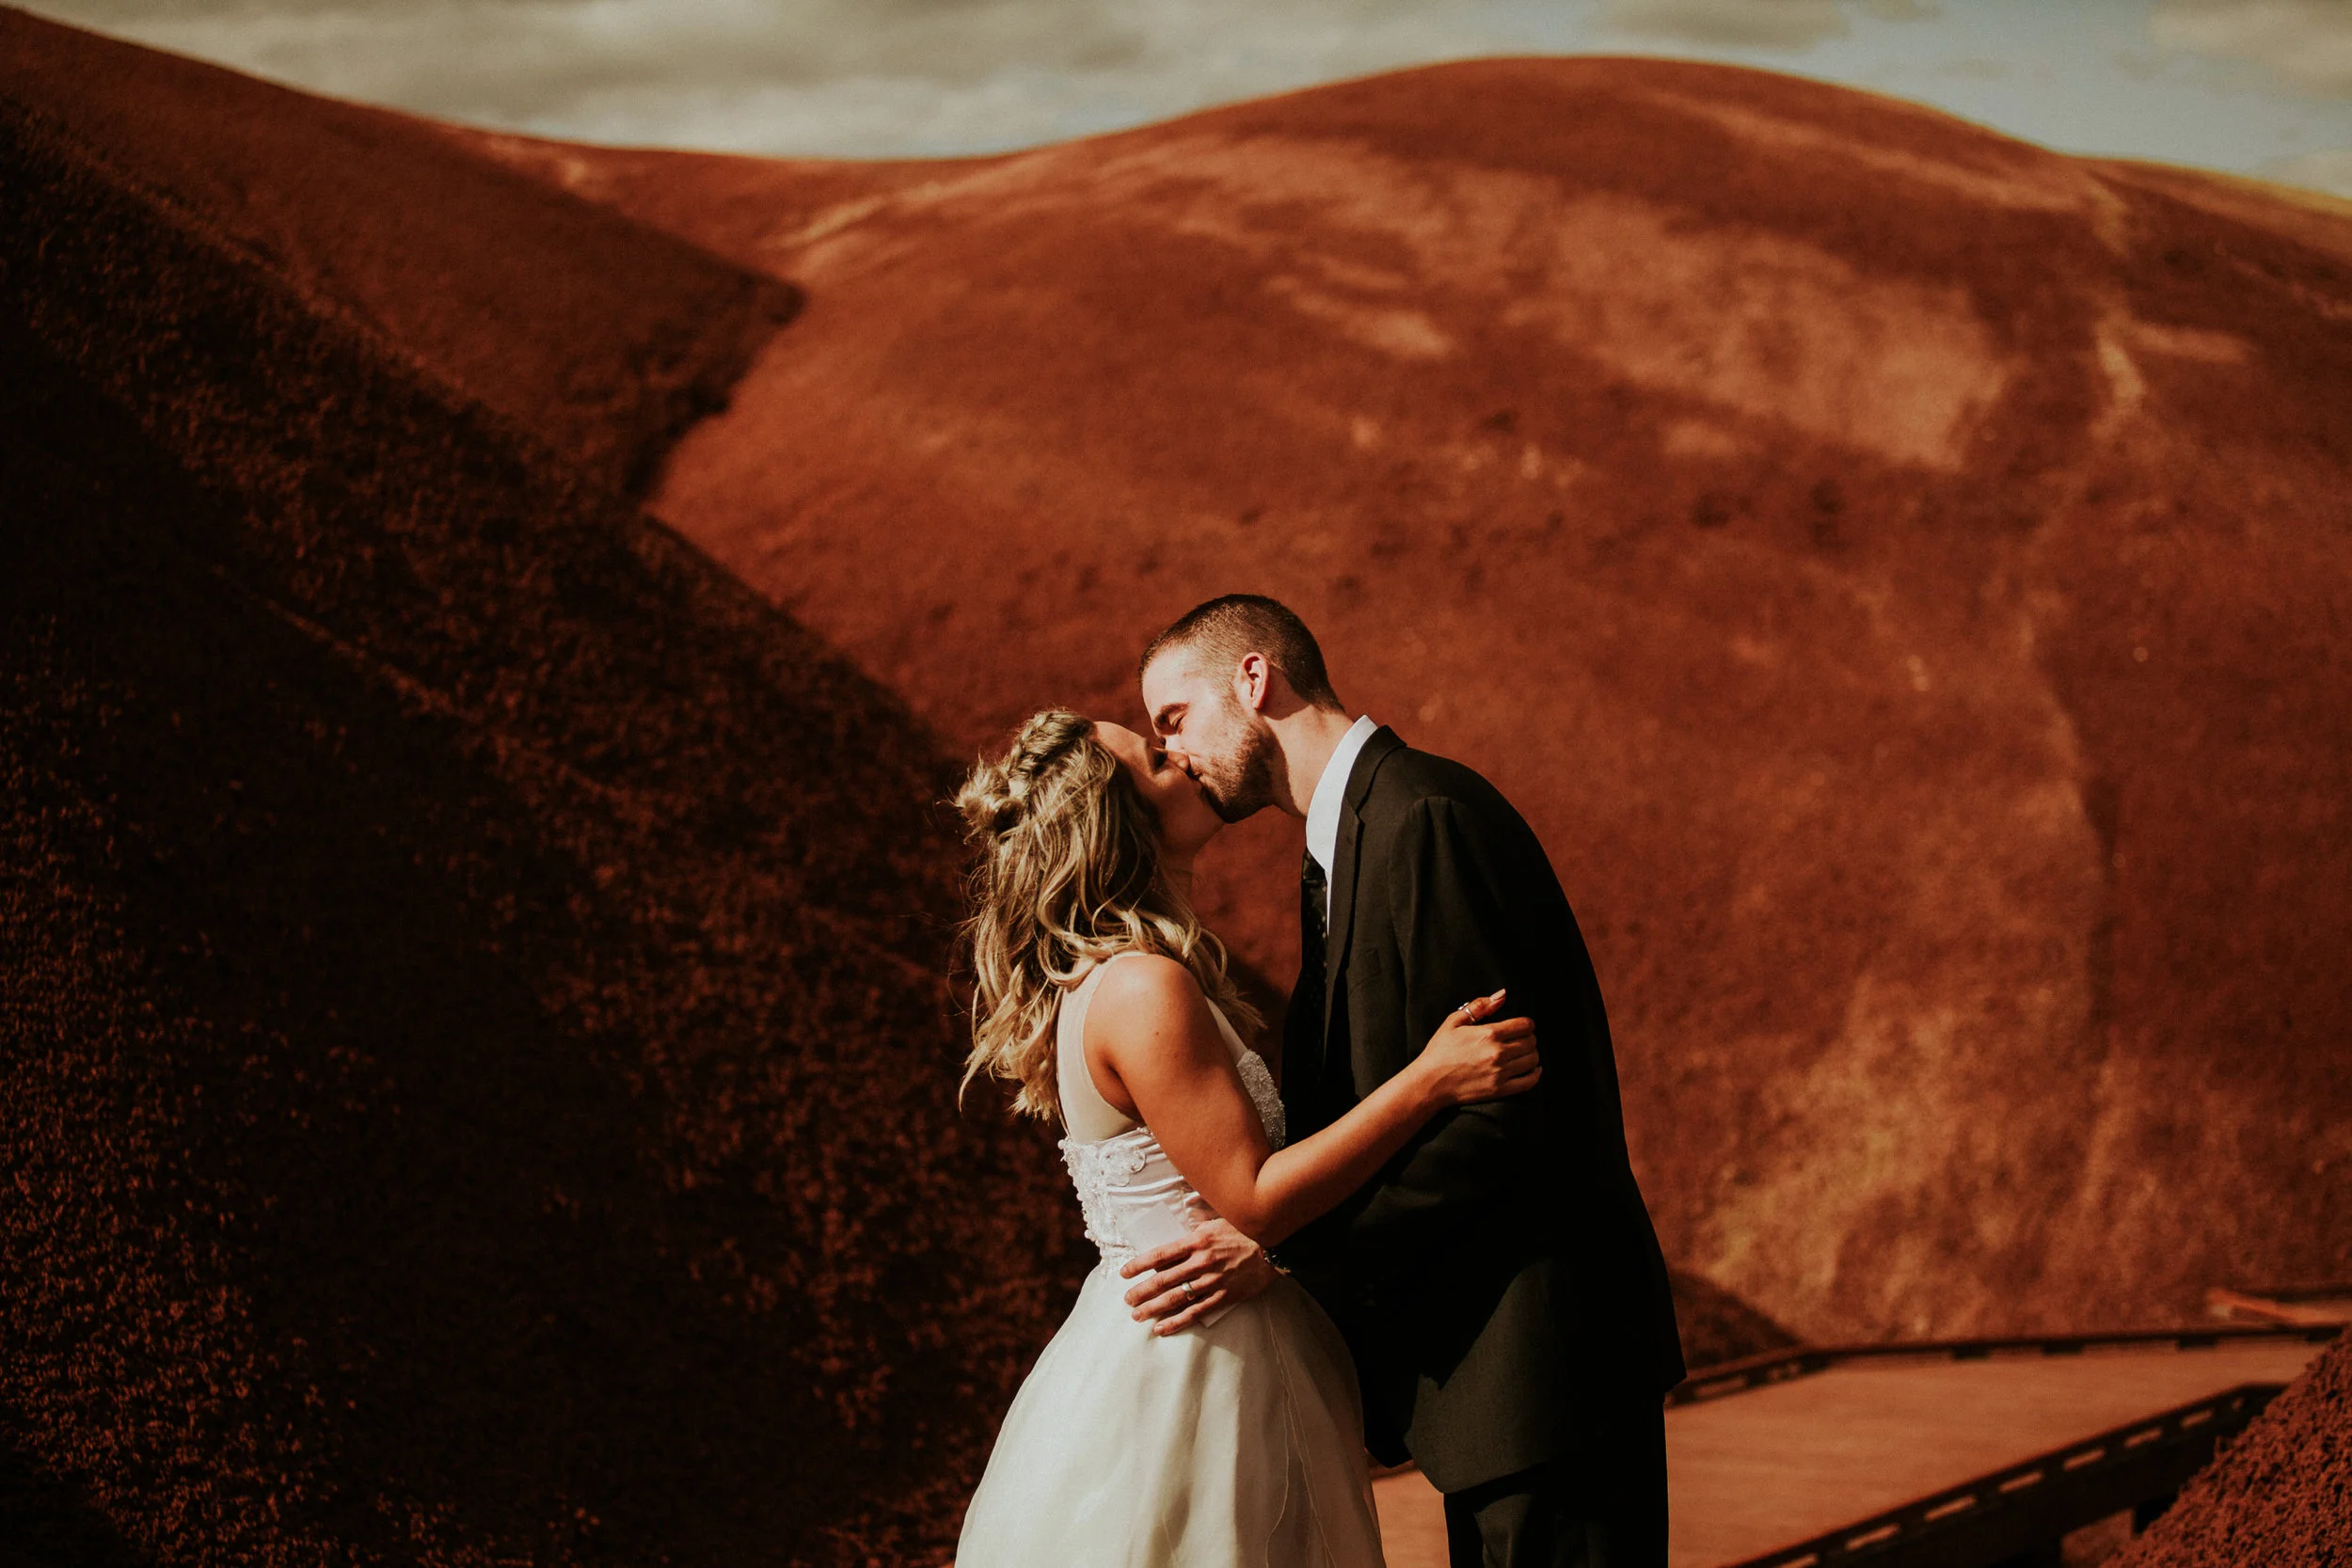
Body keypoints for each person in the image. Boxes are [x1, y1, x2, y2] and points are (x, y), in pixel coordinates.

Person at [1135, 594, 1686, 1568]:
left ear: (1254, 679)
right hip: (1496, 1390)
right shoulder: (1351, 838)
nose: (1171, 753)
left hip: (1546, 1371)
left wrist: (1291, 1249)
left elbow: (1494, 1118)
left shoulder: (1422, 817)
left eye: (1173, 717)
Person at [952, 707, 1544, 1567]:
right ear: (1118, 820)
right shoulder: (1141, 988)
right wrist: (1431, 1079)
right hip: (1199, 1372)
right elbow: (1256, 1197)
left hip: (1202, 1347)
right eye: (1157, 759)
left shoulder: (1119, 978)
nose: (1180, 756)